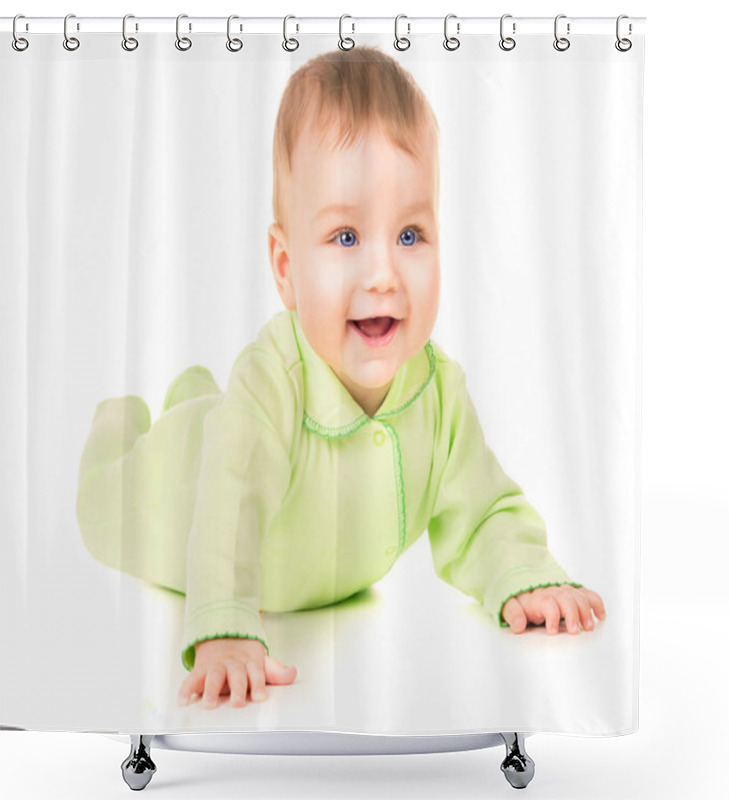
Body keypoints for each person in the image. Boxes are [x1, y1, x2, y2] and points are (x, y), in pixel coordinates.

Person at [76, 46, 606, 711]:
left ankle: (192, 389)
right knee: (103, 504)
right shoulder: (270, 386)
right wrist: (224, 626)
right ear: (286, 266)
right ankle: (118, 419)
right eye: (346, 237)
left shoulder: (437, 392)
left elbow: (483, 512)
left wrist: (523, 575)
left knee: (211, 409)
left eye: (410, 235)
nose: (383, 273)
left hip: (230, 434)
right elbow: (226, 515)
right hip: (177, 485)